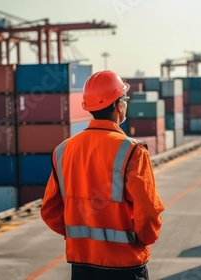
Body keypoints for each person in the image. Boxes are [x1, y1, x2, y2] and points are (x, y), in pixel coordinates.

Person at [41, 70, 164, 280]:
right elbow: (148, 213)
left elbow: (50, 210)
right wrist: (142, 240)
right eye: (124, 98)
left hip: (82, 265)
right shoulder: (133, 151)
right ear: (118, 105)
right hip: (126, 266)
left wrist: (80, 237)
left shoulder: (63, 150)